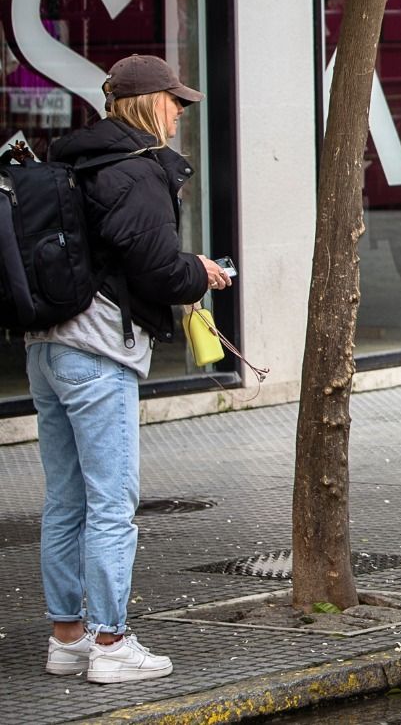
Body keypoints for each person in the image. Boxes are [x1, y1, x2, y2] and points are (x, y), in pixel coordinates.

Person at [29, 55, 231, 684]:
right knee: (112, 504)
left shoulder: (69, 159)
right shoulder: (134, 171)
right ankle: (111, 644)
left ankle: (67, 637)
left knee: (65, 501)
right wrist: (201, 270)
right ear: (147, 104)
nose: (179, 114)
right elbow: (156, 269)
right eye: (175, 102)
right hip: (97, 354)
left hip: (47, 348)